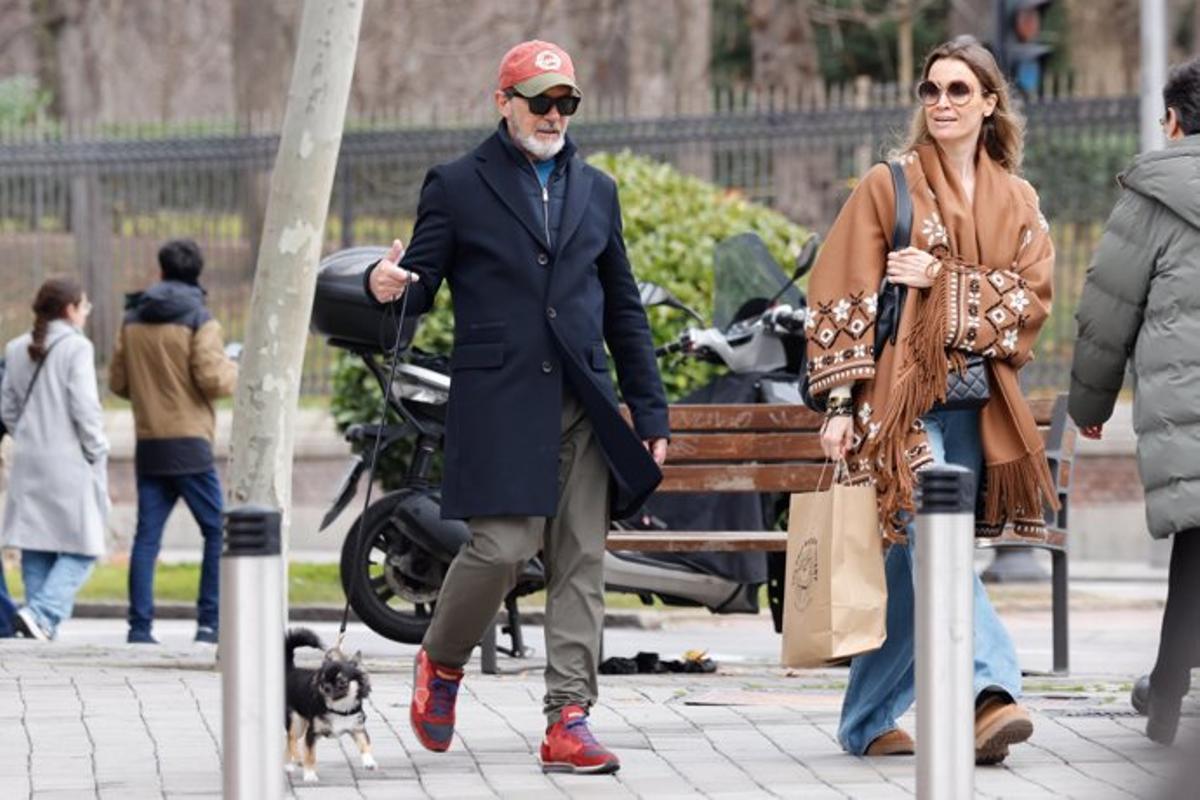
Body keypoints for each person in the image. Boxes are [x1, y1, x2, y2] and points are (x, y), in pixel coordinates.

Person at [366, 39, 669, 774]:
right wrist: (389, 284)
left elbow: (623, 306)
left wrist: (650, 411)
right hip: (501, 401)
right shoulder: (456, 184)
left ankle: (569, 717)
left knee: (580, 560)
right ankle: (440, 663)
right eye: (540, 100)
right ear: (503, 102)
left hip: (584, 403)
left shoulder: (597, 190)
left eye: (566, 102)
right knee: (500, 549)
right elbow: (424, 284)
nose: (555, 114)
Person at [805, 36, 1058, 764]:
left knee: (911, 570)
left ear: (988, 102)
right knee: (930, 536)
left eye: (957, 90)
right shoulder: (890, 185)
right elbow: (839, 290)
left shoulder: (1020, 199)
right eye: (931, 90)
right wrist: (840, 407)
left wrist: (938, 280)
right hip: (899, 404)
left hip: (979, 402)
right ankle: (991, 692)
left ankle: (865, 719)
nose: (942, 103)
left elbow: (1030, 305)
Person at [1068, 56, 1200, 747]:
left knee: (1195, 552)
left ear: (1174, 122)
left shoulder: (1152, 195)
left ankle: (1168, 699)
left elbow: (1107, 307)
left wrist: (1090, 401)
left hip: (1187, 411)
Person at [109, 240, 237, 645]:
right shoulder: (200, 318)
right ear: (197, 274)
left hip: (149, 442)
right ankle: (208, 623)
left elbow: (118, 382)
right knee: (218, 530)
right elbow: (213, 380)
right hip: (191, 443)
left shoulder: (132, 319)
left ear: (160, 271)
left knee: (147, 538)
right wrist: (237, 366)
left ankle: (139, 628)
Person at [1, 278, 110, 640]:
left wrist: (29, 435)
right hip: (69, 460)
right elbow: (85, 407)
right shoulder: (77, 348)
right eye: (84, 307)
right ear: (70, 310)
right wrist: (96, 447)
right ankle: (42, 614)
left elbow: (8, 409)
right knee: (86, 546)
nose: (86, 313)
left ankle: (36, 627)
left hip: (28, 459)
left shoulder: (15, 348)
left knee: (37, 545)